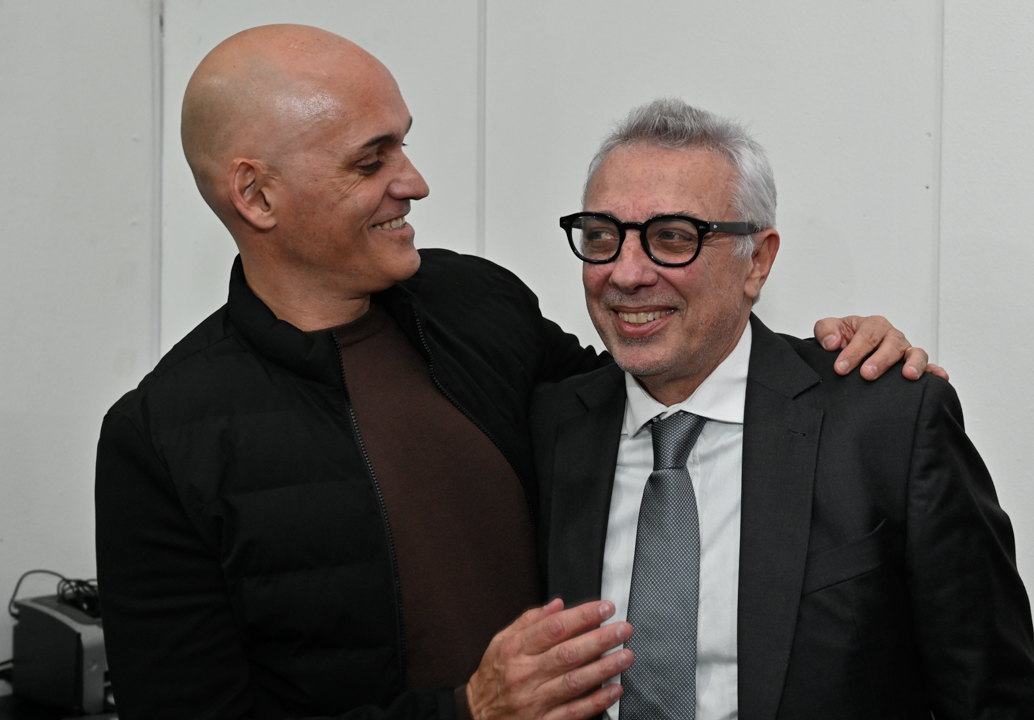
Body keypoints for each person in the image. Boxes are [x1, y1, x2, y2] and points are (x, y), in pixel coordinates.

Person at [95, 25, 940, 720]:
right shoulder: (161, 439)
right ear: (256, 196)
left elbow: (651, 387)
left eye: (404, 144)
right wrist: (469, 712)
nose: (414, 183)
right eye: (370, 161)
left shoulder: (473, 305)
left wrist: (827, 359)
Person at [531, 98, 1034, 719]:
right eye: (602, 236)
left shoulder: (888, 424)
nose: (627, 273)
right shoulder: (547, 430)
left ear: (758, 261)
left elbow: (994, 698)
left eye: (672, 237)